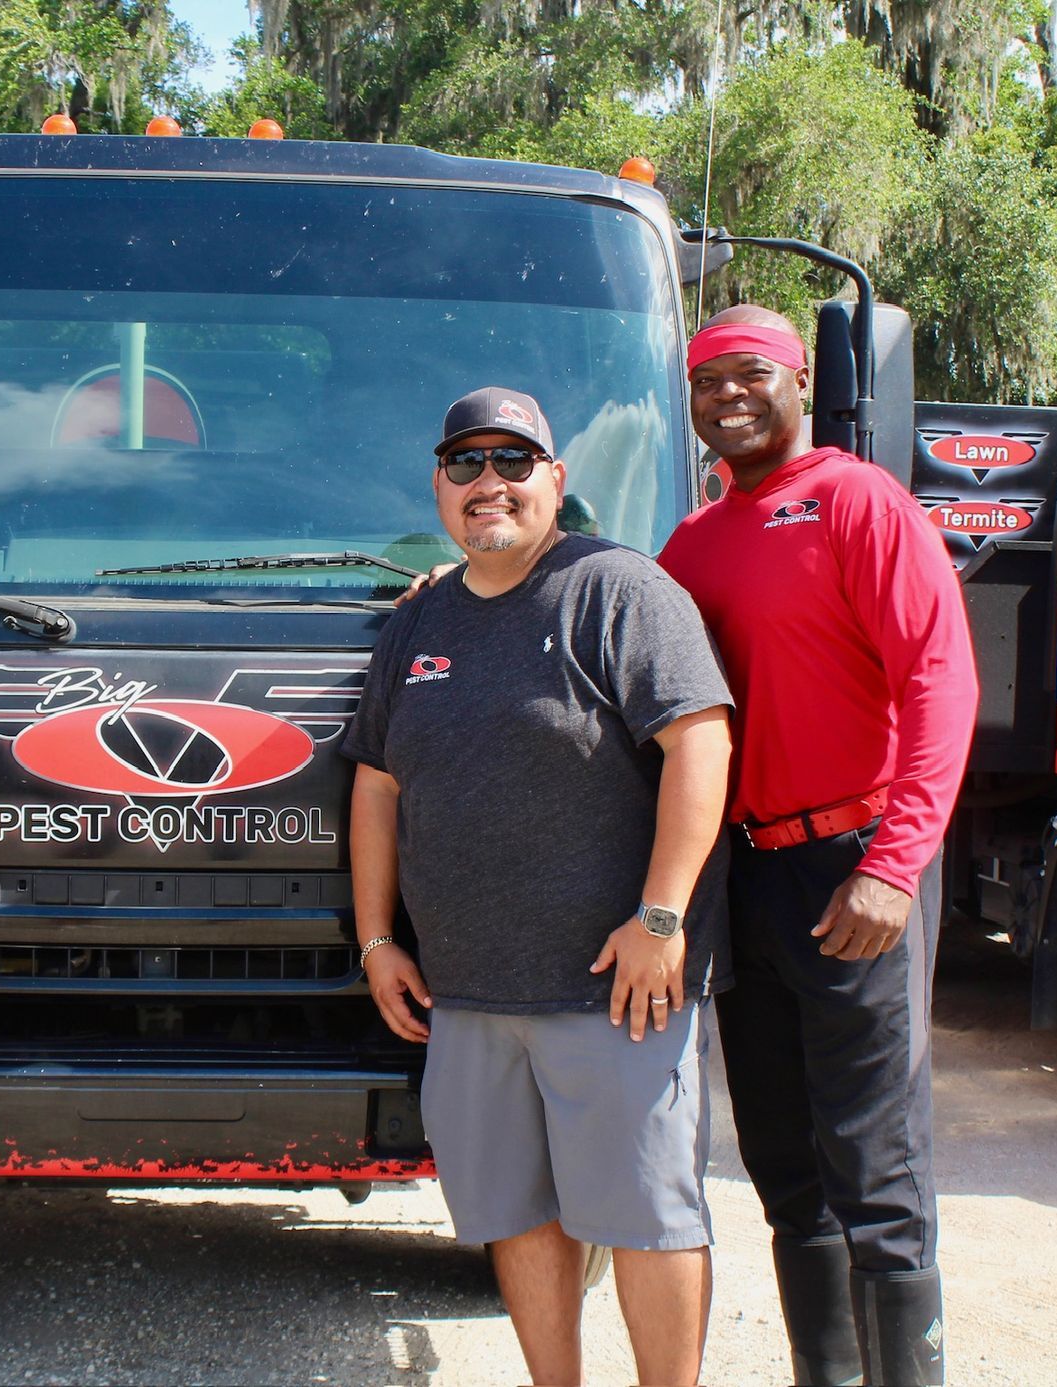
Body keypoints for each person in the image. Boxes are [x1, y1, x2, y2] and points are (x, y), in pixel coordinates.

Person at [347, 387, 734, 1387]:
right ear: (440, 486)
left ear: (557, 481)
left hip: (613, 990)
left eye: (514, 462)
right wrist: (377, 939)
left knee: (648, 1216)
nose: (490, 483)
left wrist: (662, 915)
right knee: (513, 1213)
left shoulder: (619, 591)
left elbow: (701, 743)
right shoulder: (417, 620)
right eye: (467, 463)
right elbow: (378, 786)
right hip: (468, 994)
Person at [658, 307, 979, 1386]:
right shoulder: (695, 542)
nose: (727, 397)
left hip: (854, 867)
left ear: (800, 381)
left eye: (750, 374)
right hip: (744, 879)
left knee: (875, 1172)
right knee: (787, 1168)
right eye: (707, 382)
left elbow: (940, 681)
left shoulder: (857, 502)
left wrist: (895, 864)